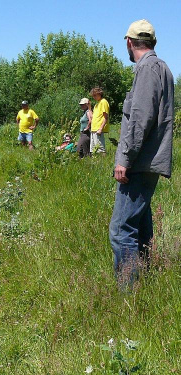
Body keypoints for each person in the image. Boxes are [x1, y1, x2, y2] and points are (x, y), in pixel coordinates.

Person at [109, 19, 174, 289]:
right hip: (150, 162)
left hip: (139, 162)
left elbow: (139, 119)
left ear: (129, 42)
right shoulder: (163, 68)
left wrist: (124, 158)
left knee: (121, 230)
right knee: (140, 227)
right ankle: (144, 284)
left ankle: (127, 293)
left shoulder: (147, 68)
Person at [89, 87, 109, 154]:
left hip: (98, 128)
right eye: (93, 96)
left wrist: (101, 128)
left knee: (100, 149)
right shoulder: (97, 104)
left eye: (95, 95)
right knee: (93, 149)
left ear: (99, 94)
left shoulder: (103, 102)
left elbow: (106, 117)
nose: (94, 97)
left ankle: (104, 162)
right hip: (93, 128)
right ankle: (95, 162)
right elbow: (93, 117)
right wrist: (89, 108)